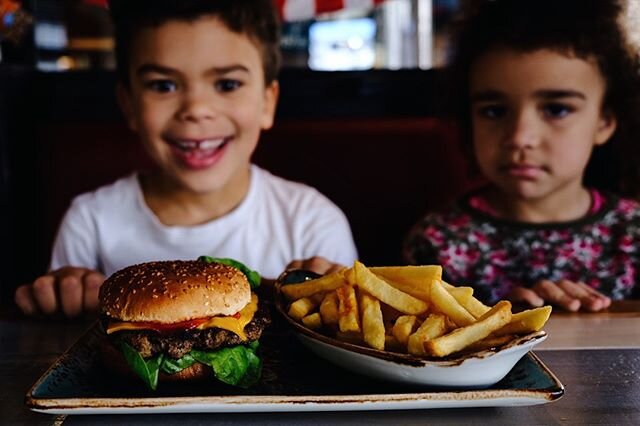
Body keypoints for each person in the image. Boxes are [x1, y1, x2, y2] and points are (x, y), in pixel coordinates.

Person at [15, 0, 357, 318]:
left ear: (268, 102)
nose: (195, 110)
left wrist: (334, 292)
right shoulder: (89, 221)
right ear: (129, 104)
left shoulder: (313, 221)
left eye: (227, 84)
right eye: (163, 86)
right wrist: (64, 294)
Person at [403, 0, 640, 311]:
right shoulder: (437, 242)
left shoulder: (632, 234)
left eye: (556, 109)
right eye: (494, 111)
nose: (519, 138)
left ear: (604, 122)